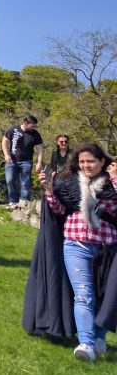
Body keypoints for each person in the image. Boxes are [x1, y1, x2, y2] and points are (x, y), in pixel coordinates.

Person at [40, 143, 117, 362]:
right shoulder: (69, 183)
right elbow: (60, 211)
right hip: (76, 245)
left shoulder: (112, 183)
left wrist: (115, 178)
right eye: (82, 162)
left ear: (102, 162)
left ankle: (98, 338)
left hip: (108, 249)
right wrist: (48, 192)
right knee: (84, 295)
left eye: (91, 161)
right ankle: (86, 344)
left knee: (106, 297)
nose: (86, 165)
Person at [22, 135, 76, 339]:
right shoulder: (55, 162)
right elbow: (57, 206)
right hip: (53, 232)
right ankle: (46, 322)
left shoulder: (75, 178)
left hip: (68, 235)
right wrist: (49, 189)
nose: (62, 144)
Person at [2, 115, 44, 209]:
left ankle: (24, 202)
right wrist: (6, 154)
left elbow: (40, 149)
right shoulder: (13, 129)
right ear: (26, 123)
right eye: (32, 126)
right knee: (10, 181)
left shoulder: (35, 134)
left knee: (25, 183)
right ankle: (13, 201)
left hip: (26, 162)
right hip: (12, 161)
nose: (34, 128)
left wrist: (39, 163)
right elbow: (4, 141)